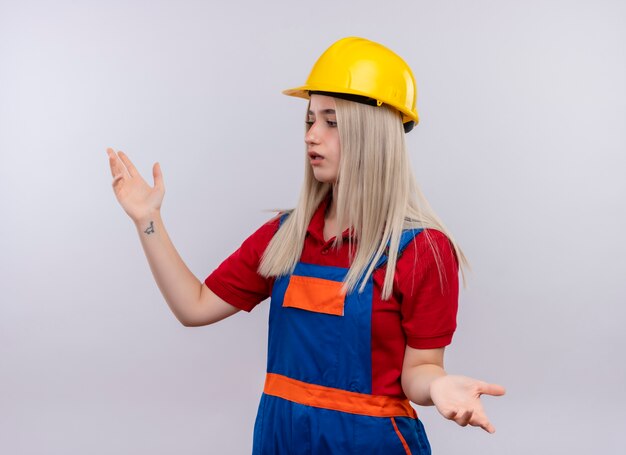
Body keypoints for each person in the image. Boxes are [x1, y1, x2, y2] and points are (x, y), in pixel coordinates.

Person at [107, 36, 505, 454]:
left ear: (373, 133)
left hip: (369, 445)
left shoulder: (423, 251)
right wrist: (148, 221)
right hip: (280, 440)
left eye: (331, 121)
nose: (311, 136)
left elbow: (419, 371)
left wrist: (440, 386)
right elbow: (195, 305)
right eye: (309, 120)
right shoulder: (287, 237)